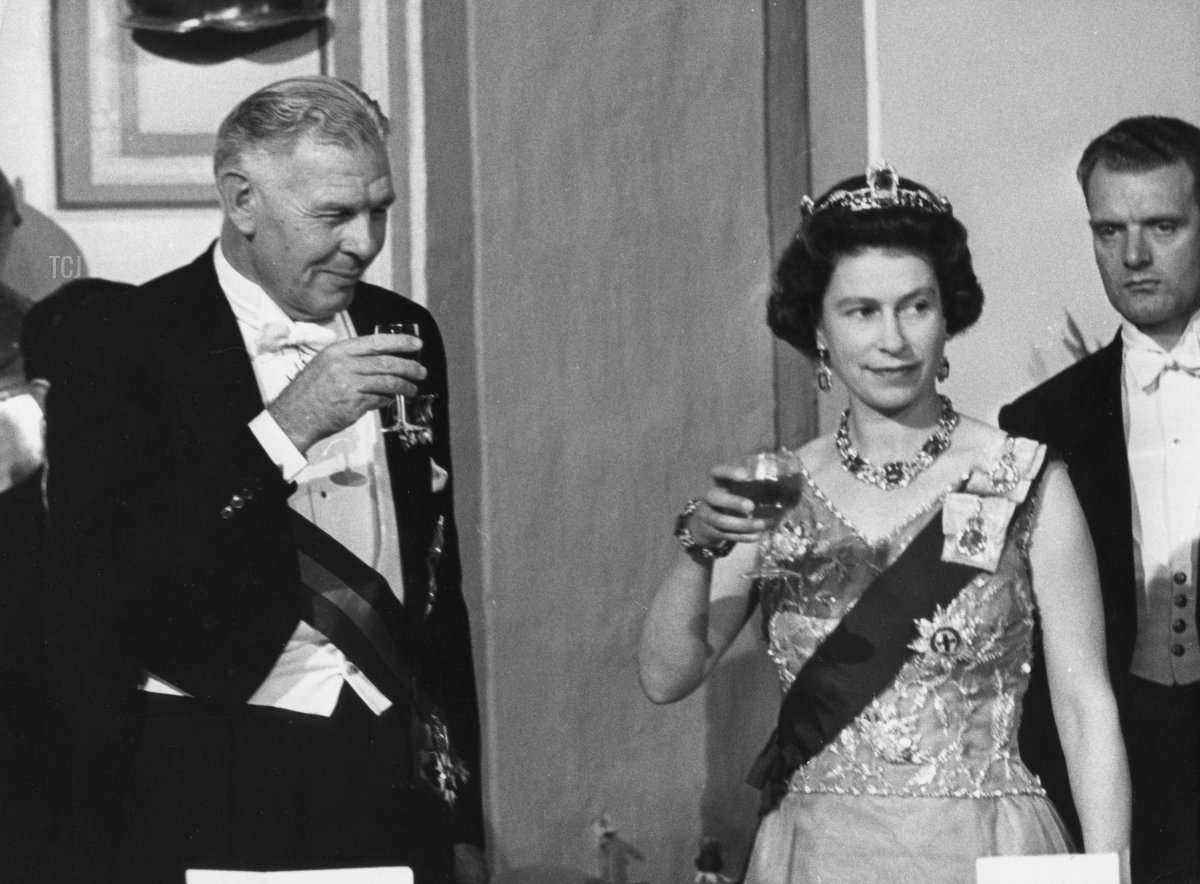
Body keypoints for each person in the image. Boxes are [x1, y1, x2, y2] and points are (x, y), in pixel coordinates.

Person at [40, 76, 486, 884]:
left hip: (390, 776)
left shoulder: (405, 329)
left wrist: (463, 819)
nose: (364, 242)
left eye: (378, 209)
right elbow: (107, 577)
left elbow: (434, 581)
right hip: (207, 775)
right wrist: (283, 429)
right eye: (334, 215)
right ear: (242, 200)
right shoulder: (121, 341)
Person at [639, 162, 1131, 883]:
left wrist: (1109, 873)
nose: (893, 340)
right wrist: (698, 548)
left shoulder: (1020, 479)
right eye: (862, 311)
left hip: (987, 847)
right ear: (818, 328)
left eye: (916, 307)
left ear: (948, 314)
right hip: (817, 856)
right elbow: (664, 676)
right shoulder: (774, 492)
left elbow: (1087, 711)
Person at [1000, 116, 1200, 884]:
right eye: (1109, 230)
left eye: (1163, 226)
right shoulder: (1040, 422)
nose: (1134, 256)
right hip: (1111, 769)